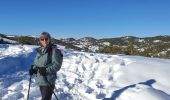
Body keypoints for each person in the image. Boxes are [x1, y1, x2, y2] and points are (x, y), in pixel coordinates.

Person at [29, 32, 62, 100]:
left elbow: (57, 65)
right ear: (40, 40)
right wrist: (33, 69)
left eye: (46, 39)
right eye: (42, 39)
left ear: (49, 39)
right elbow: (36, 63)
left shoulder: (53, 50)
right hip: (40, 79)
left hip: (48, 80)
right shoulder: (40, 50)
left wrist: (46, 70)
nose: (44, 41)